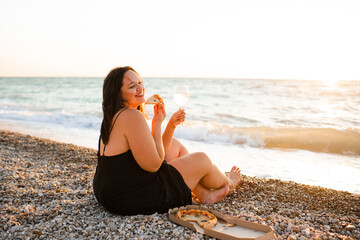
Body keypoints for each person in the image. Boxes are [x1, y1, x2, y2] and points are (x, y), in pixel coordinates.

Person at [93, 66, 241, 215]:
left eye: (140, 82)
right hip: (130, 197)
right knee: (202, 159)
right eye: (132, 86)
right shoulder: (132, 116)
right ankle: (230, 183)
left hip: (110, 192)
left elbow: (152, 153)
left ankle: (202, 192)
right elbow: (154, 165)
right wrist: (156, 125)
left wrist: (170, 125)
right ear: (117, 94)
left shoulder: (115, 115)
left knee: (175, 147)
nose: (140, 88)